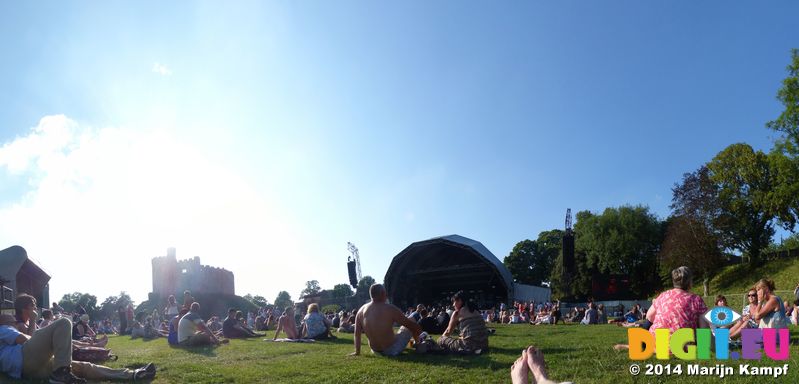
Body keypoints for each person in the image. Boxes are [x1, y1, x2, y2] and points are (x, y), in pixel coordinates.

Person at [0, 296, 156, 383]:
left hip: (31, 368)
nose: (13, 320)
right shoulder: (3, 329)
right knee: (64, 322)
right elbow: (25, 340)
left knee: (84, 367)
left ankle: (133, 374)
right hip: (25, 358)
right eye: (11, 320)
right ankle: (60, 375)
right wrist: (40, 328)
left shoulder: (10, 329)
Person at [614, 266, 708, 351]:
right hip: (682, 344)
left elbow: (649, 316)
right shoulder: (696, 299)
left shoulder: (663, 296)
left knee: (649, 320)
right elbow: (704, 327)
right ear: (689, 282)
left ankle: (636, 345)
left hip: (656, 343)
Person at [350, 284, 422, 357]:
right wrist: (421, 332)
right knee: (412, 319)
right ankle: (418, 344)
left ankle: (417, 343)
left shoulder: (361, 310)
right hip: (391, 350)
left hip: (375, 350)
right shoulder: (390, 309)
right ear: (383, 293)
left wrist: (357, 351)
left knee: (398, 332)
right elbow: (410, 325)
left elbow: (357, 333)